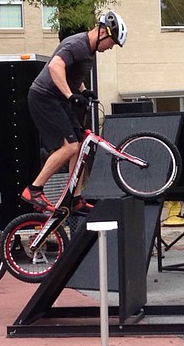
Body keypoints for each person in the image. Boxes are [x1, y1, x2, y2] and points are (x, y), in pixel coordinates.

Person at [22, 11, 128, 212]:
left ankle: (75, 197)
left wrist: (83, 90)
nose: (110, 48)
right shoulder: (77, 44)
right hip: (44, 97)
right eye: (112, 43)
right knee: (70, 147)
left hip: (57, 99)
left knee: (80, 145)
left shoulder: (88, 51)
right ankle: (34, 189)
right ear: (103, 33)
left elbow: (72, 75)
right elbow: (55, 66)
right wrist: (70, 96)